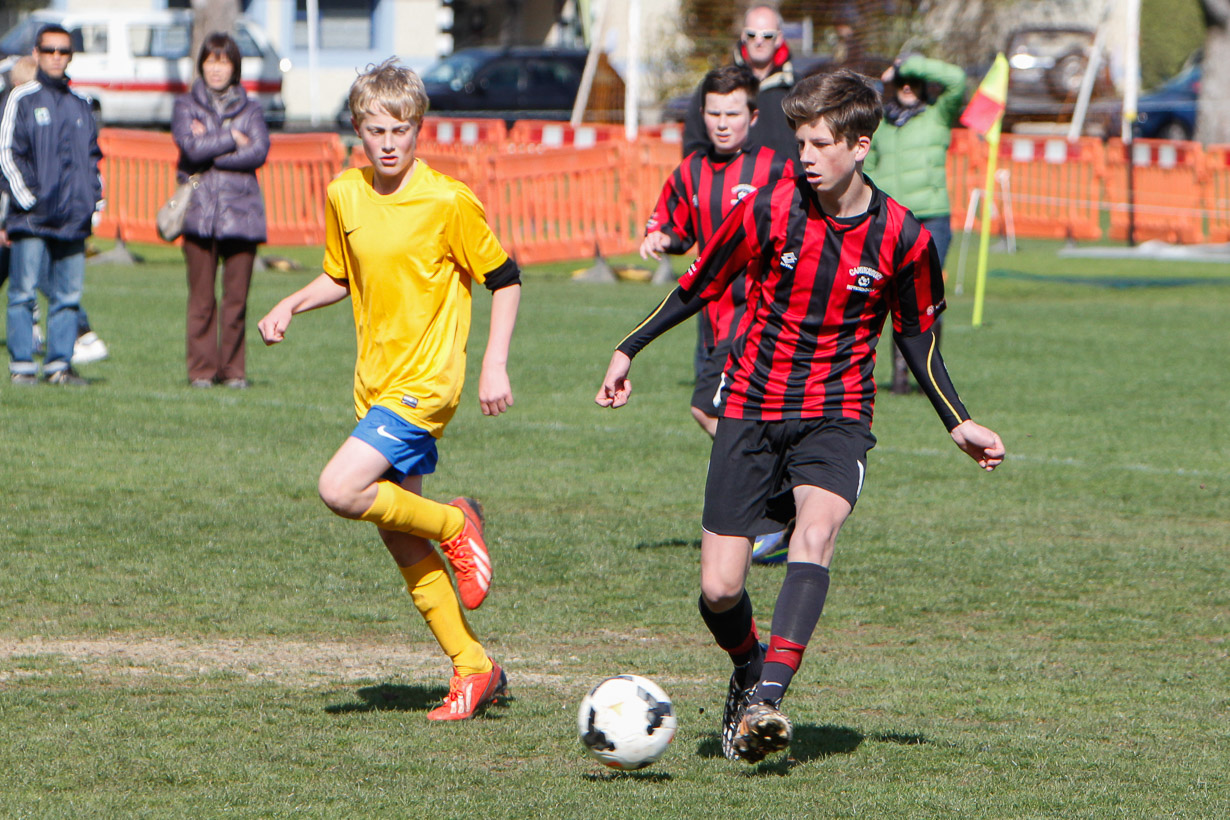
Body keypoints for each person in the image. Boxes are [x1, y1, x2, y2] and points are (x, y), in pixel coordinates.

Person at [596, 69, 1005, 763]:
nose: (805, 156)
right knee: (719, 589)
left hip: (836, 414)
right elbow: (700, 284)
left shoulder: (903, 237)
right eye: (800, 142)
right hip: (752, 406)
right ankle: (748, 667)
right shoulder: (769, 209)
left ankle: (766, 701)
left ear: (860, 146)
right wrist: (628, 347)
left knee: (814, 535)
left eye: (820, 143)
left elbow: (919, 339)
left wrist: (956, 420)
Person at [256, 58, 522, 721]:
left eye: (401, 129)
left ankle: (458, 524)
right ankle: (474, 668)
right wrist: (291, 303)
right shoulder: (344, 194)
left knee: (340, 488)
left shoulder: (447, 201)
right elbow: (340, 275)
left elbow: (505, 277)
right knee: (402, 536)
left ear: (419, 128)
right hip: (375, 387)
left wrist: (494, 364)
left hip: (425, 386)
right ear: (358, 130)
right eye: (376, 130)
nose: (389, 143)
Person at [645, 64, 795, 564]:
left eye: (732, 113)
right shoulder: (690, 171)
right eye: (714, 113)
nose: (722, 123)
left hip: (757, 318)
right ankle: (778, 500)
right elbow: (679, 226)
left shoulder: (777, 168)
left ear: (753, 116)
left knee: (710, 410)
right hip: (712, 318)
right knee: (727, 413)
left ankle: (773, 499)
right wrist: (662, 237)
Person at [1, 24, 103, 386]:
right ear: (36, 53)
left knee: (68, 296)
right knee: (22, 293)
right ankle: (22, 367)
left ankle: (59, 365)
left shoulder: (81, 104)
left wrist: (93, 200)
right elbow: (7, 153)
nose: (56, 57)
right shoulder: (21, 98)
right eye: (49, 50)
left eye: (63, 51)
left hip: (73, 218)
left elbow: (92, 158)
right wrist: (29, 199)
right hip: (31, 218)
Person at [862, 53, 966, 394]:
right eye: (901, 82)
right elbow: (867, 167)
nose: (907, 86)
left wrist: (907, 65)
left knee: (928, 299)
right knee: (893, 297)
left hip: (932, 218)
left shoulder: (938, 115)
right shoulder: (880, 122)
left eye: (913, 82)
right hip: (891, 220)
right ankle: (900, 377)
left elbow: (957, 80)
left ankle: (928, 374)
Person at [172, 32, 270, 389]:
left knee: (236, 302)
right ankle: (201, 371)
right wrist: (231, 137)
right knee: (201, 300)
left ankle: (233, 372)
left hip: (242, 213)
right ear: (201, 66)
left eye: (224, 62)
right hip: (199, 213)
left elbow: (258, 152)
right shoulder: (185, 106)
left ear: (235, 68)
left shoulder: (252, 109)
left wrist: (210, 144)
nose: (217, 69)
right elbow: (190, 148)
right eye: (211, 61)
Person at [682, 5, 797, 160]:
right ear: (743, 35)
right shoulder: (717, 85)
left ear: (779, 38)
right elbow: (694, 146)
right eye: (752, 34)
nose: (759, 41)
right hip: (729, 176)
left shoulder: (798, 88)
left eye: (767, 35)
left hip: (785, 175)